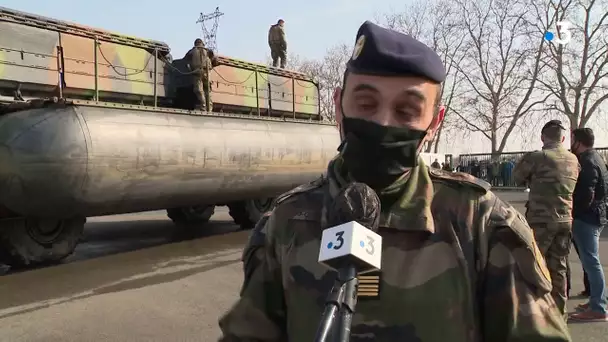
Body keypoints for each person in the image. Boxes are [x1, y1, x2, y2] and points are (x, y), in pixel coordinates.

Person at [218, 21, 571, 341]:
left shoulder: (482, 224)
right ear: (339, 105)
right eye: (366, 103)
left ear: (434, 122)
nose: (383, 123)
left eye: (406, 111)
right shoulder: (286, 222)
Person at [512, 120, 580, 316]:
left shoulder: (538, 157)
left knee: (533, 265)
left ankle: (533, 314)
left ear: (543, 137)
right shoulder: (573, 160)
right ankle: (559, 313)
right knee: (558, 267)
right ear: (563, 138)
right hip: (566, 220)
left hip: (541, 221)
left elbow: (517, 178)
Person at [568, 127, 608, 322]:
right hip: (595, 216)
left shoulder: (588, 161)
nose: (570, 143)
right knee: (590, 261)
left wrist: (574, 213)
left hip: (587, 218)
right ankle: (596, 300)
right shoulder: (597, 157)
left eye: (572, 139)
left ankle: (599, 308)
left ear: (579, 141)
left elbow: (587, 193)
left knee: (591, 262)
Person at [184, 38, 216, 111]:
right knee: (208, 90)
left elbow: (185, 61)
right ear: (202, 43)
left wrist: (190, 69)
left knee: (199, 90)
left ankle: (203, 106)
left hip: (197, 72)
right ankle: (210, 108)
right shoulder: (208, 51)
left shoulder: (191, 52)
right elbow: (215, 59)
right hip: (207, 73)